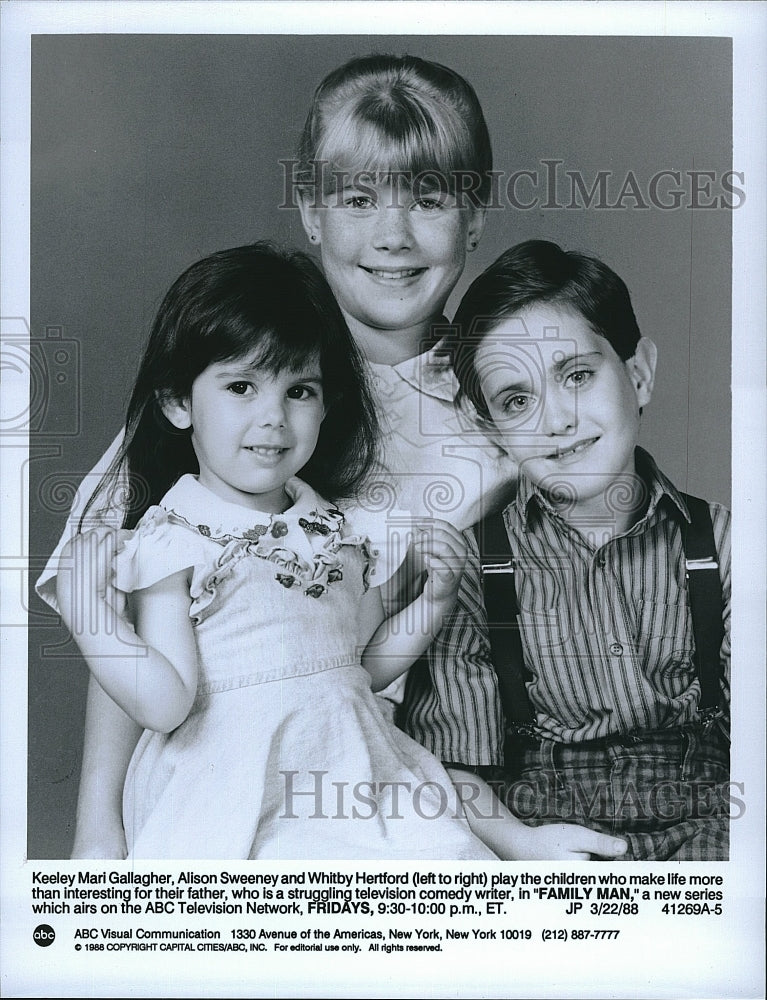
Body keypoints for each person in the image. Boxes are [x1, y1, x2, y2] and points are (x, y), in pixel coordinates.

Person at [38, 54, 624, 860]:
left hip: (392, 780)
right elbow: (129, 605)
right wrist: (95, 832)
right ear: (312, 213)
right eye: (356, 200)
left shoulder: (504, 402)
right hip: (225, 781)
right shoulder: (235, 381)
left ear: (475, 217)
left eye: (428, 200)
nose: (392, 236)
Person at [54, 241, 501, 860]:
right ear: (178, 402)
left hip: (352, 769)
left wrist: (435, 600)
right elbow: (165, 700)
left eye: (300, 391)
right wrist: (90, 615)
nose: (274, 418)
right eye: (241, 386)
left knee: (446, 877)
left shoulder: (335, 528)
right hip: (233, 786)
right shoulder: (173, 539)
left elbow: (364, 666)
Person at [446, 239, 731, 860]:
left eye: (577, 376)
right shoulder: (474, 569)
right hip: (549, 842)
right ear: (488, 427)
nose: (556, 420)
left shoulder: (726, 548)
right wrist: (519, 845)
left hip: (711, 837)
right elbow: (455, 763)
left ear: (639, 373)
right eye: (517, 401)